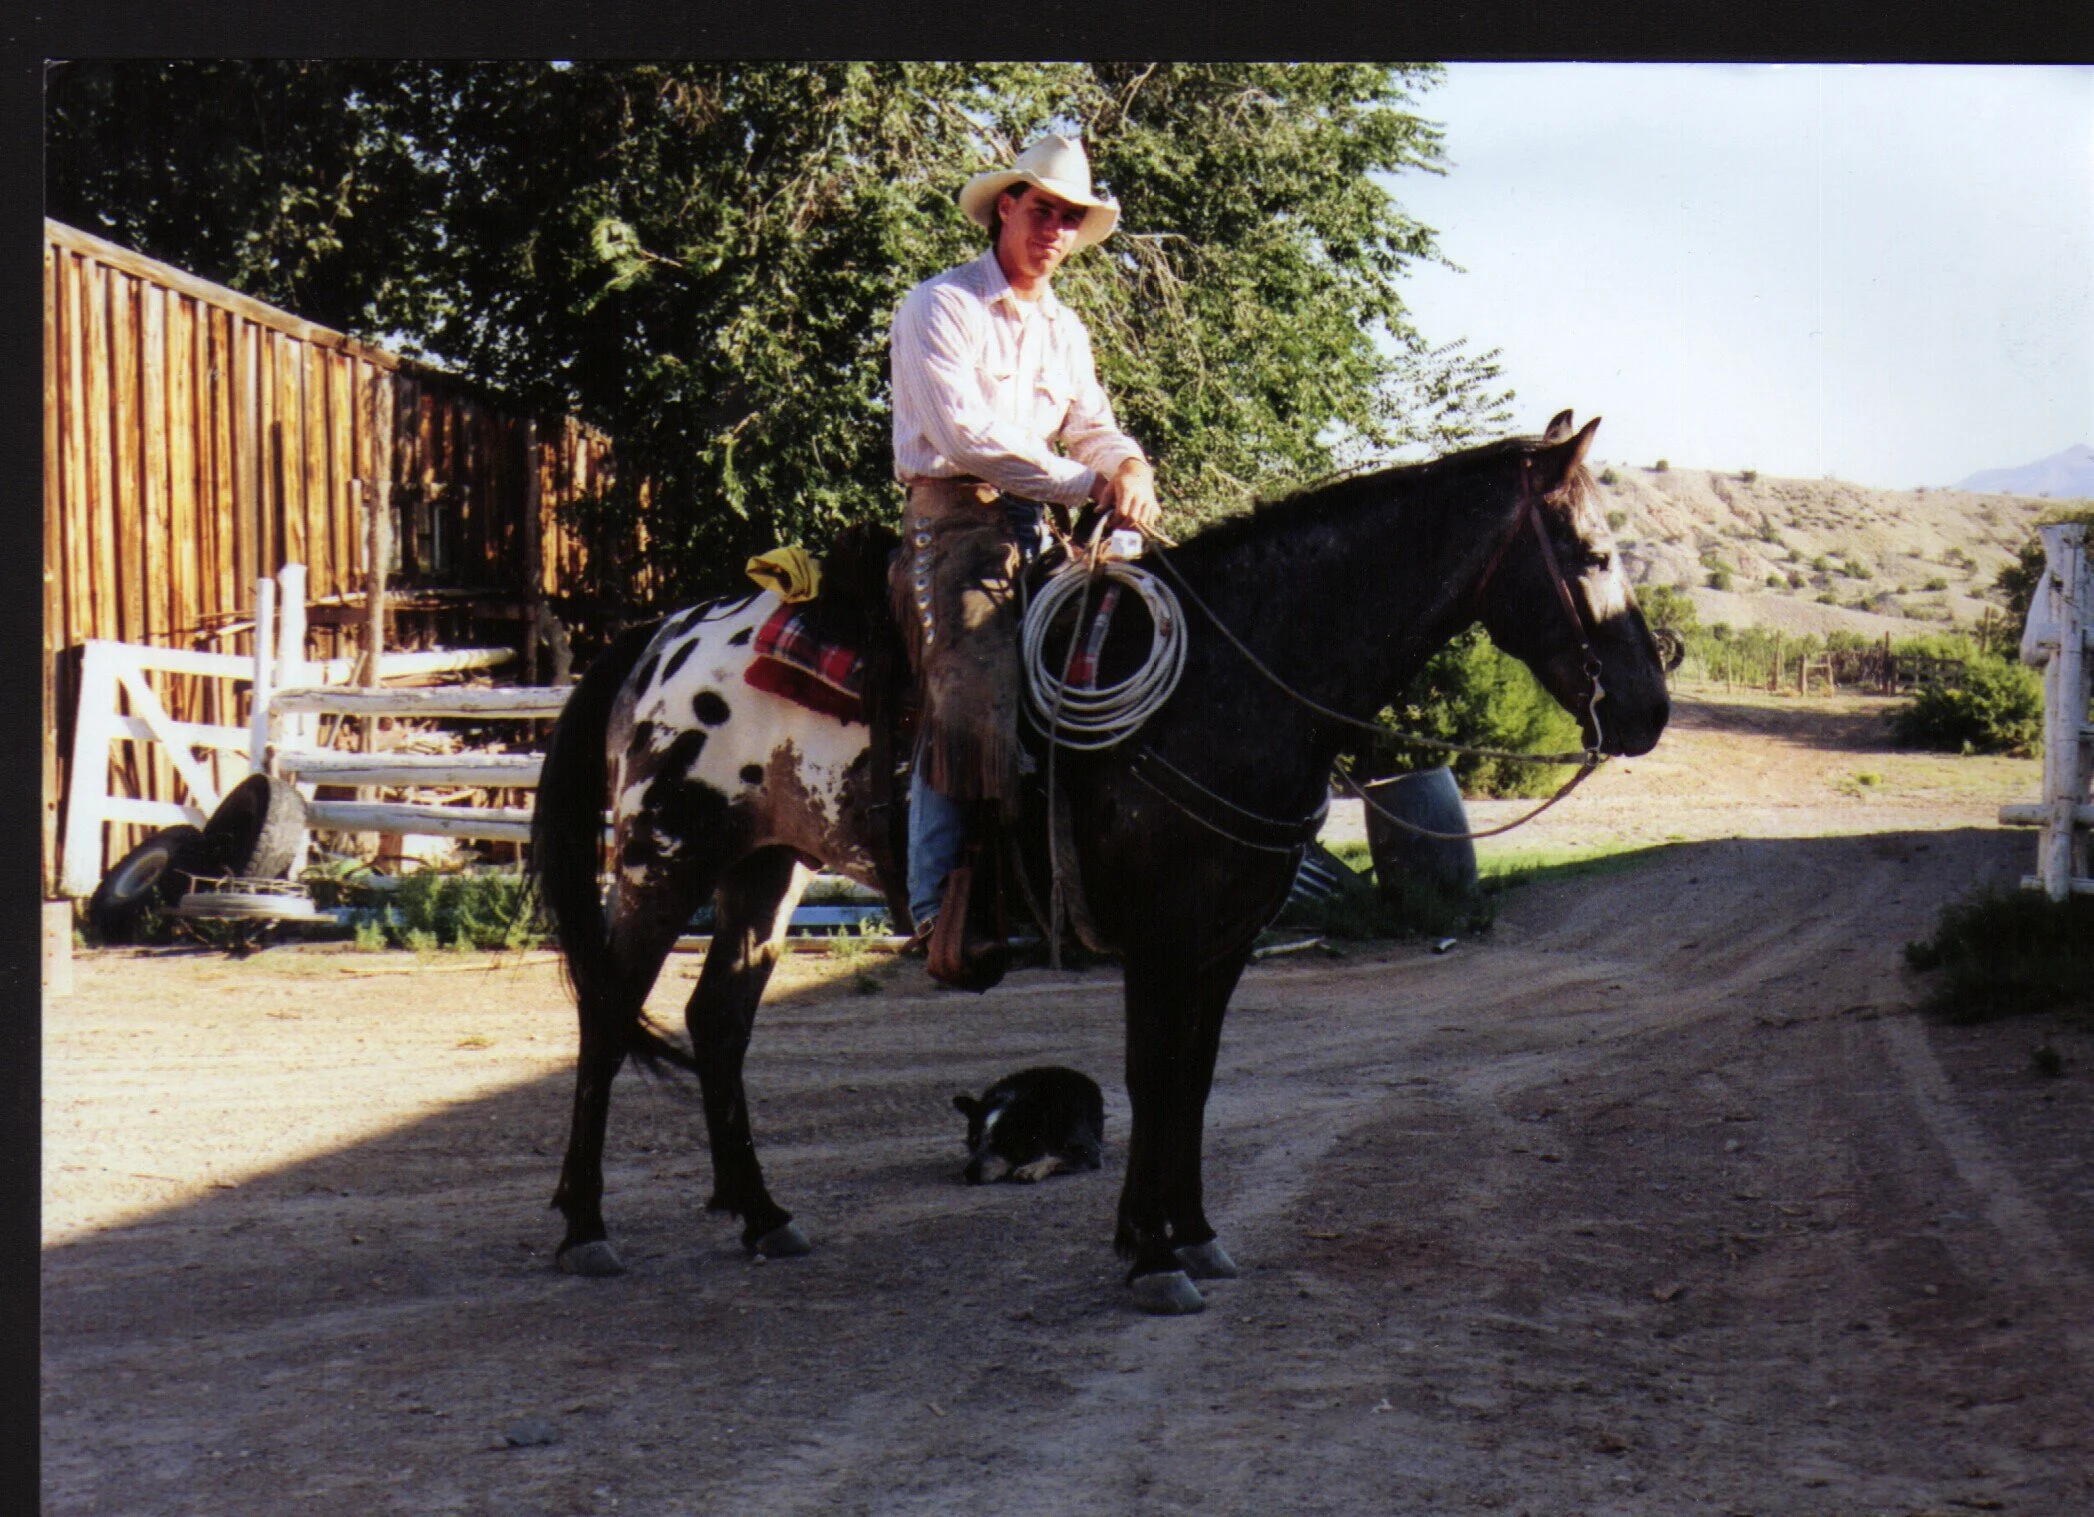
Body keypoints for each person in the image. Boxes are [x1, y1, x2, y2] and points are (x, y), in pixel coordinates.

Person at [889, 133, 1160, 978]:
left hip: (1039, 522)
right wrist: (1087, 481)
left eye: (1069, 217)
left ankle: (1081, 882)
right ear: (1005, 206)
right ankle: (933, 904)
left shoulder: (1064, 330)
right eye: (1041, 209)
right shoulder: (940, 306)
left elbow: (1090, 418)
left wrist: (1127, 462)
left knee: (1118, 650)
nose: (1054, 228)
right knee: (972, 680)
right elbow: (971, 438)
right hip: (956, 523)